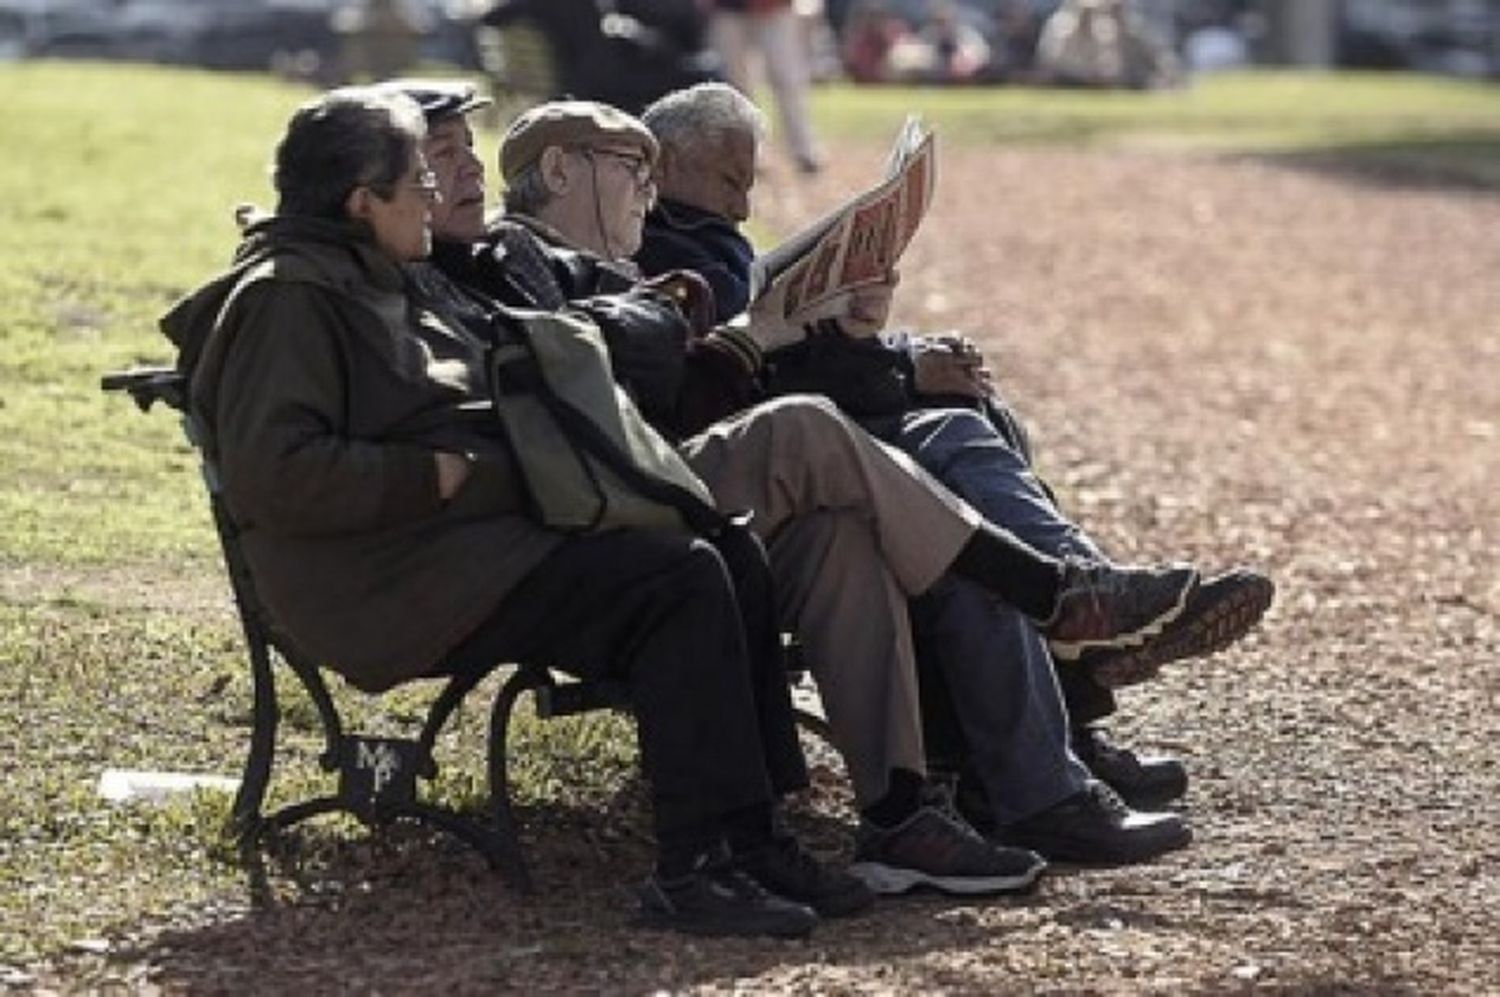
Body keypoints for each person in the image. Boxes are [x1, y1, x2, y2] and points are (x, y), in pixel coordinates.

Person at [389, 81, 1202, 873]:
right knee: (842, 436)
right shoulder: (516, 258)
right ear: (563, 171)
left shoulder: (587, 265)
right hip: (620, 506)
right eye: (634, 170)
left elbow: (685, 382)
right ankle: (1061, 602)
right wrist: (749, 335)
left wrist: (847, 339)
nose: (650, 191)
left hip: (686, 484)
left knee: (852, 525)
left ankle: (901, 812)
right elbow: (629, 395)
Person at [157, 86, 893, 940]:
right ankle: (693, 868)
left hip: (466, 543)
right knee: (678, 578)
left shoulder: (378, 271)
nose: (436, 192)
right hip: (387, 580)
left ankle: (751, 834)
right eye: (416, 181)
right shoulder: (289, 298)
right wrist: (433, 473)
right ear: (363, 203)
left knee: (719, 541)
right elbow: (275, 475)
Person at [632, 82, 1274, 815]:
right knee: (957, 444)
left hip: (805, 433)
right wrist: (896, 364)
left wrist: (883, 343)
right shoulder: (668, 247)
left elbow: (784, 360)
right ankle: (1080, 627)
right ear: (669, 159)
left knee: (978, 416)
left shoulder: (705, 238)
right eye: (729, 182)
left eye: (748, 185)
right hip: (777, 460)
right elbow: (759, 381)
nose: (743, 206)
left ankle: (1068, 696)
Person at [705, 0, 824, 174]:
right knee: (736, 86)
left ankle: (804, 150)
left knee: (787, 79)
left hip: (775, 7)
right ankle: (749, 154)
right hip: (729, 8)